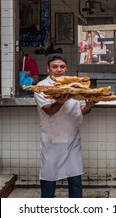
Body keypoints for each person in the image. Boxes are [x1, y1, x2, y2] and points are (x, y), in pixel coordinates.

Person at [34, 53, 96, 198]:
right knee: (49, 178)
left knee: (75, 179)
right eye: (55, 67)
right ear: (48, 69)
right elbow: (48, 111)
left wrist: (89, 105)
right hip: (51, 141)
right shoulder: (42, 87)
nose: (59, 69)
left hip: (72, 140)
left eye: (62, 66)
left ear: (66, 68)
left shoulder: (75, 86)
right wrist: (60, 102)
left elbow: (81, 110)